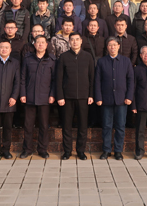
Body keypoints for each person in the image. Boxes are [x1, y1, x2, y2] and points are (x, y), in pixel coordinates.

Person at [56, 32, 95, 160]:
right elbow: (59, 79)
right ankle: (67, 151)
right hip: (67, 97)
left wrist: (91, 94)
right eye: (72, 39)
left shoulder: (88, 57)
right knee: (66, 126)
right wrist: (60, 96)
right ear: (69, 42)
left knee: (82, 126)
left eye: (77, 39)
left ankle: (80, 151)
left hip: (84, 97)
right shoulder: (63, 57)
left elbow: (92, 77)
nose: (75, 42)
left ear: (81, 41)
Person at [95, 37, 134, 160]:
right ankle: (106, 150)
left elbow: (131, 80)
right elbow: (97, 81)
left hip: (122, 99)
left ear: (118, 46)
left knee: (120, 126)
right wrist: (98, 97)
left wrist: (129, 96)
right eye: (110, 45)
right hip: (106, 99)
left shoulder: (126, 61)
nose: (112, 47)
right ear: (107, 47)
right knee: (107, 126)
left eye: (114, 45)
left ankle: (118, 150)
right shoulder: (101, 61)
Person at [20, 36, 56, 159]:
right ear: (34, 45)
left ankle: (42, 149)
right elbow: (23, 78)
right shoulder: (28, 59)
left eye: (42, 42)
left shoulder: (52, 60)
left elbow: (54, 80)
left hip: (45, 97)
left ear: (46, 45)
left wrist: (52, 94)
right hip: (29, 96)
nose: (40, 44)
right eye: (38, 42)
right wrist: (23, 94)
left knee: (44, 125)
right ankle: (27, 149)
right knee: (28, 125)